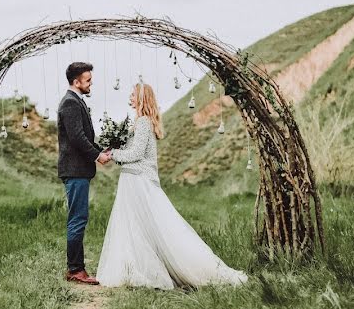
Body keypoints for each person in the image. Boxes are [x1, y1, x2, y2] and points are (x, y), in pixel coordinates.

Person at [97, 82, 248, 289]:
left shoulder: (142, 122)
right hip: (133, 181)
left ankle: (155, 269)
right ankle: (133, 267)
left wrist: (112, 155)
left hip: (138, 182)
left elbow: (136, 154)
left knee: (145, 227)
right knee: (136, 228)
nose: (130, 97)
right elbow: (134, 150)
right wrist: (114, 147)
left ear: (141, 98)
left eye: (133, 94)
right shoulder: (141, 122)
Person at [56, 61, 111, 285]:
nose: (90, 84)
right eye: (88, 81)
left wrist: (100, 150)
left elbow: (83, 138)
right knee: (77, 219)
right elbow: (77, 138)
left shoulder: (76, 101)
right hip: (75, 170)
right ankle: (75, 270)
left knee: (79, 217)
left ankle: (76, 268)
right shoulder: (70, 103)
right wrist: (97, 156)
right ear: (76, 82)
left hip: (79, 169)